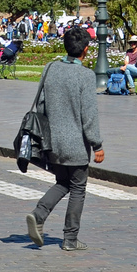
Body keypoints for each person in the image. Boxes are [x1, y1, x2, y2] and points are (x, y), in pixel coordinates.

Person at [24, 26, 104, 252]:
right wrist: (97, 144)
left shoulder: (50, 69)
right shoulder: (86, 76)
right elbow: (88, 115)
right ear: (85, 50)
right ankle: (70, 239)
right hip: (76, 144)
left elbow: (41, 105)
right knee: (78, 187)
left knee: (63, 182)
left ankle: (39, 214)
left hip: (52, 141)